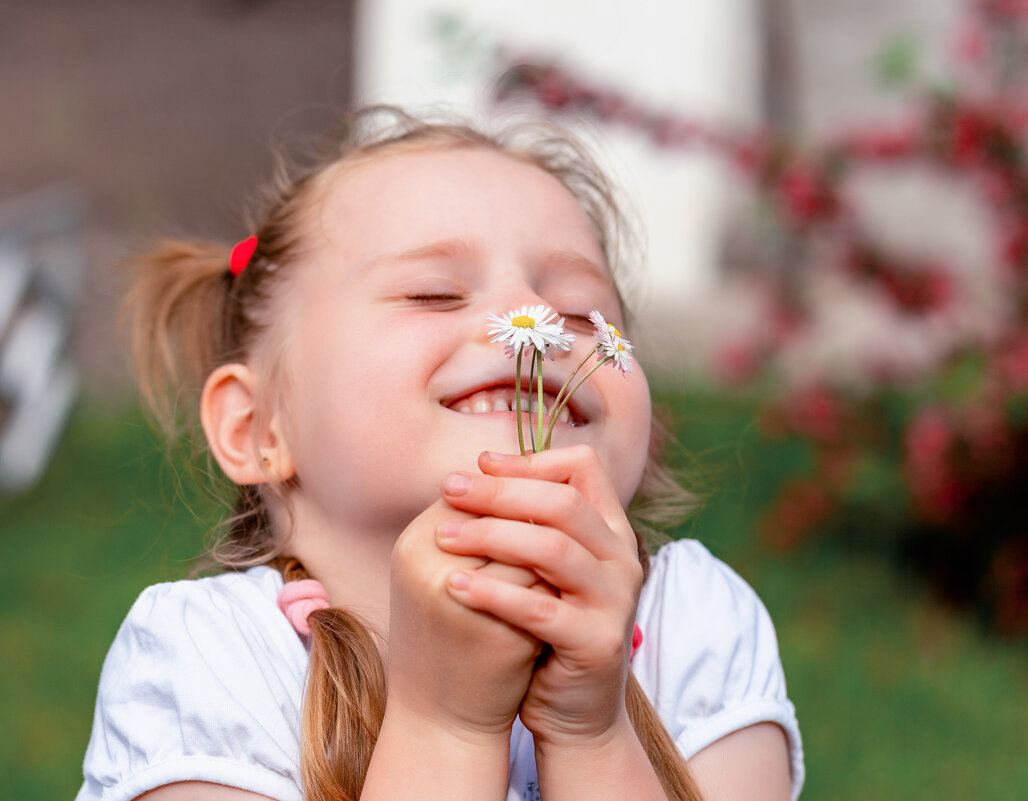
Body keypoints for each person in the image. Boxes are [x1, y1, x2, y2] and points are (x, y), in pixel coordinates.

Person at [76, 107, 804, 801]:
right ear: (257, 425)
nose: (537, 319)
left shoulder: (695, 630)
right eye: (433, 293)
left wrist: (592, 730)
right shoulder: (210, 662)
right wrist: (445, 723)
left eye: (584, 312)